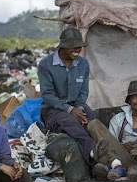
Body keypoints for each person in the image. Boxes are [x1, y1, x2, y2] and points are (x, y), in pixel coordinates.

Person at [38, 27, 110, 172]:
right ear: (63, 46)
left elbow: (83, 91)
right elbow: (47, 95)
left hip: (77, 106)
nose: (78, 49)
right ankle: (93, 154)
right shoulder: (46, 64)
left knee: (92, 121)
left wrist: (80, 109)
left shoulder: (83, 64)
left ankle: (112, 161)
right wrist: (70, 110)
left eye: (80, 46)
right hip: (53, 110)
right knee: (70, 122)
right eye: (74, 46)